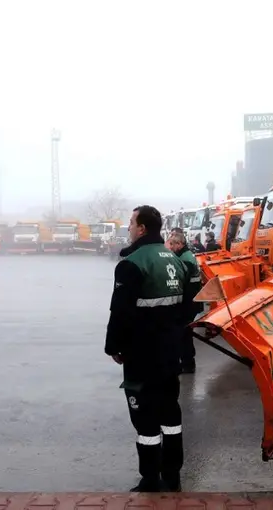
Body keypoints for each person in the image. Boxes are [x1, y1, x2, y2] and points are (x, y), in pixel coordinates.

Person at [104, 205, 192, 493]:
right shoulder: (175, 260)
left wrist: (114, 347)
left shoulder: (132, 264)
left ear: (141, 228)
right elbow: (187, 308)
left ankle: (151, 479)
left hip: (141, 356)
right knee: (170, 414)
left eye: (131, 223)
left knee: (145, 419)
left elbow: (120, 312)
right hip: (170, 354)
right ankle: (172, 476)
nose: (129, 227)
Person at [166, 231, 203, 374]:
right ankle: (187, 362)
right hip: (192, 301)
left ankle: (187, 363)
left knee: (183, 333)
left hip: (188, 303)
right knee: (185, 332)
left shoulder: (185, 259)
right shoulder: (186, 256)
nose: (171, 247)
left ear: (180, 244)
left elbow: (180, 281)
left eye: (173, 244)